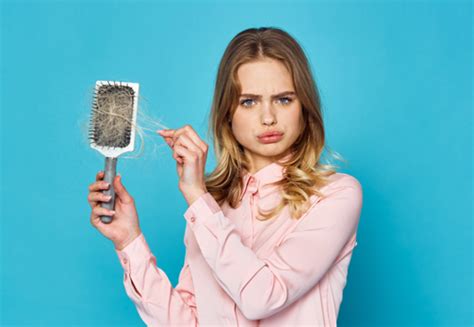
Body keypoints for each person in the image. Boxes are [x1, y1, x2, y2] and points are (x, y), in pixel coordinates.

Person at [87, 27, 363, 326]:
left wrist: (197, 197)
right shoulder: (210, 207)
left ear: (305, 107)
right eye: (249, 101)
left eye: (284, 99)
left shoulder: (335, 195)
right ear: (227, 114)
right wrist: (129, 241)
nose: (268, 117)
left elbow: (263, 297)